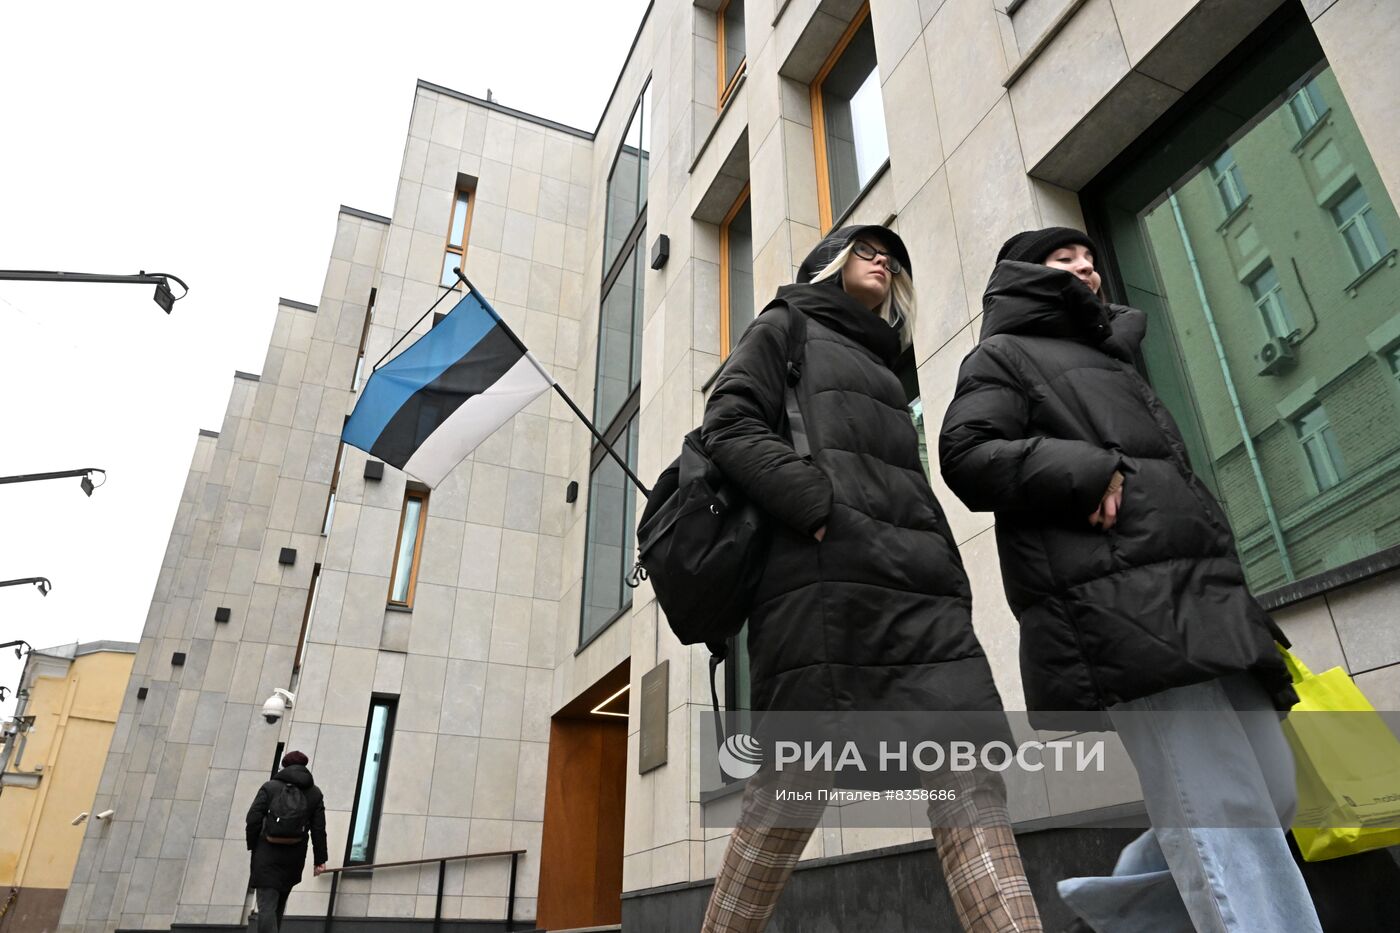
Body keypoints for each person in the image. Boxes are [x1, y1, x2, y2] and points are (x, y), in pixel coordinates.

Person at [938, 227, 1320, 932]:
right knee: (1224, 813)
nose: (1086, 267)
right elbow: (965, 452)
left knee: (1272, 792)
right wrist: (1084, 469)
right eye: (1064, 261)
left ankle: (1129, 912)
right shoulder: (1004, 355)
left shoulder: (1115, 362)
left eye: (1089, 259)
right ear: (1025, 276)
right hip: (1124, 610)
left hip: (1204, 603)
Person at [698, 225, 1043, 933]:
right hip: (824, 591)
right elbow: (728, 423)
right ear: (828, 265)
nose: (882, 257)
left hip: (916, 592)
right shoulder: (785, 323)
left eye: (890, 253)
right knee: (792, 785)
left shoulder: (885, 364)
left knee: (968, 770)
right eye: (863, 247)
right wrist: (817, 504)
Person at [245, 750, 329, 932]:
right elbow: (319, 829)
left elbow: (253, 818)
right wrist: (319, 860)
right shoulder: (315, 793)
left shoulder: (270, 787)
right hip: (294, 857)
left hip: (267, 853)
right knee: (278, 905)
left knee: (266, 906)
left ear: (284, 766)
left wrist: (253, 845)